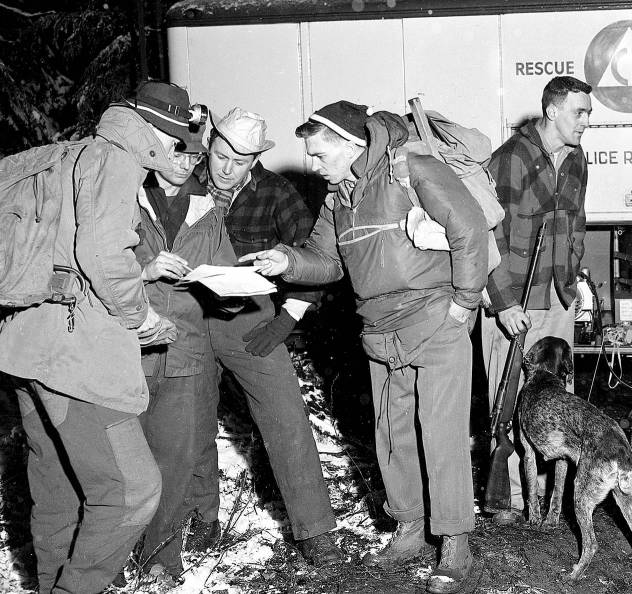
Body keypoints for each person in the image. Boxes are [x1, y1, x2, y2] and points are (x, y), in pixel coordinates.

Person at [243, 100, 488, 594]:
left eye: (317, 153)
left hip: (433, 318)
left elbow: (470, 227)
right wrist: (284, 260)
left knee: (440, 431)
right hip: (379, 329)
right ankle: (410, 529)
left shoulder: (410, 168)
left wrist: (464, 299)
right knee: (392, 433)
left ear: (350, 142)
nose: (312, 164)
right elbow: (325, 261)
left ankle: (456, 544)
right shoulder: (340, 197)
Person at [0, 81, 204, 594]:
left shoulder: (71, 155)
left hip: (26, 341)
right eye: (178, 138)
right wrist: (140, 318)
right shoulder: (116, 161)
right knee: (133, 489)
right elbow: (103, 254)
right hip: (74, 356)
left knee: (60, 488)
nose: (179, 151)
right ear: (157, 131)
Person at [182, 107, 342, 566]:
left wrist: (288, 317)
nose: (226, 169)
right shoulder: (184, 186)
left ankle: (315, 530)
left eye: (239, 161)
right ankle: (201, 519)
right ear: (209, 146)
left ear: (255, 158)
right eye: (219, 156)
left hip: (252, 321)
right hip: (189, 318)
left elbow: (315, 256)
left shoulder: (277, 193)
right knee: (190, 421)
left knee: (286, 418)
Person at [132, 106, 241, 580]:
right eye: (178, 147)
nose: (187, 159)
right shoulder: (121, 201)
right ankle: (109, 554)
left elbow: (232, 293)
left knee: (173, 462)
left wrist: (232, 287)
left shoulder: (208, 213)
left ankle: (160, 557)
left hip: (184, 353)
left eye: (194, 153)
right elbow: (90, 275)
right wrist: (145, 272)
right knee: (119, 464)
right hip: (126, 353)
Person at [480, 75, 592, 526]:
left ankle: (546, 495)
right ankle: (505, 495)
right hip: (514, 301)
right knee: (507, 398)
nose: (585, 122)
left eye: (588, 114)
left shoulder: (577, 158)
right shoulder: (511, 158)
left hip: (557, 297)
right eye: (578, 112)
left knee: (556, 400)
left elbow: (578, 222)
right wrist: (503, 301)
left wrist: (574, 279)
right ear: (551, 111)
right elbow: (486, 235)